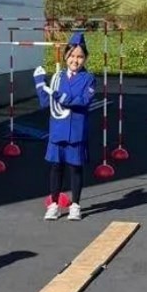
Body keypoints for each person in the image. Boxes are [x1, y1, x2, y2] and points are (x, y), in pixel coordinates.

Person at [33, 31, 97, 220]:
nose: (75, 60)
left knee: (75, 167)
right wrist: (39, 83)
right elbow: (46, 102)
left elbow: (84, 100)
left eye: (80, 57)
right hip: (58, 129)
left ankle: (76, 205)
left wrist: (63, 97)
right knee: (56, 167)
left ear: (85, 58)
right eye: (72, 56)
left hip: (76, 129)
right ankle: (53, 204)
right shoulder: (57, 77)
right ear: (66, 55)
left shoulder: (89, 79)